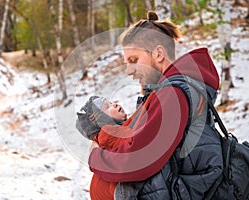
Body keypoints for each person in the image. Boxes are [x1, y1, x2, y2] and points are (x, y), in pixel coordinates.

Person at [88, 11, 223, 199]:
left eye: (134, 60)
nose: (129, 71)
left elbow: (139, 159)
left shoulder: (173, 94)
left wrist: (96, 157)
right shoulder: (171, 90)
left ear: (158, 53)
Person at [76, 96, 172, 200]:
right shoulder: (108, 132)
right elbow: (136, 138)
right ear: (100, 120)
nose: (115, 104)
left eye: (111, 103)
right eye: (107, 107)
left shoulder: (113, 132)